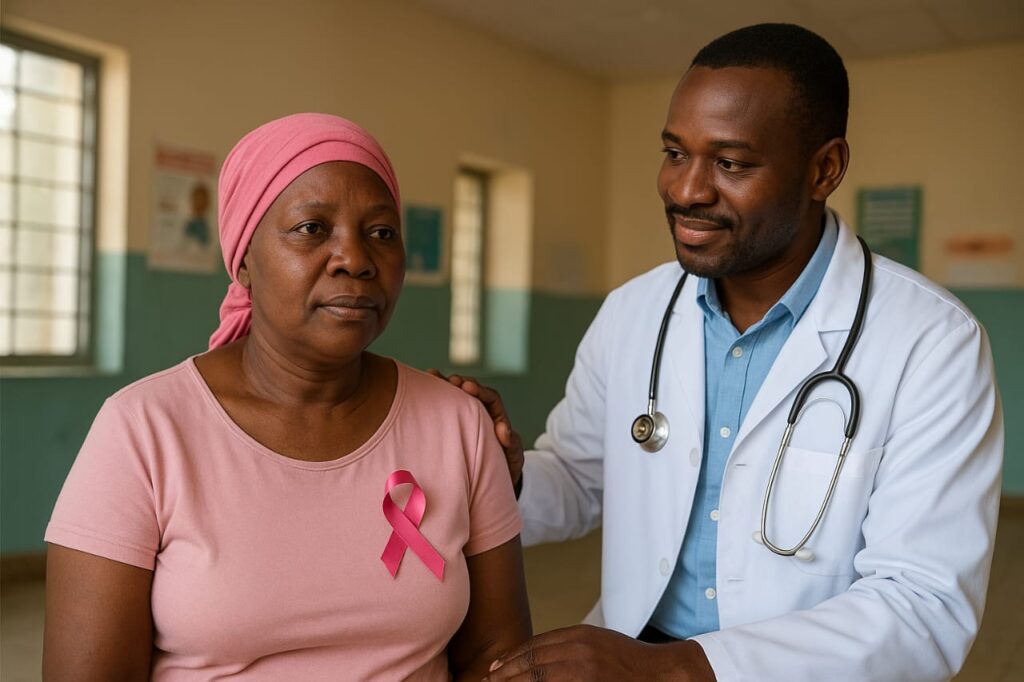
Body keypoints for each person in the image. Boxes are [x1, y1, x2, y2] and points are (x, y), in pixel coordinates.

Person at [443, 24, 1003, 682]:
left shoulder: (932, 342)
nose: (686, 190)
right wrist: (505, 476)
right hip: (632, 651)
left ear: (824, 169)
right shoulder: (634, 313)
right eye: (675, 153)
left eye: (730, 163)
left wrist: (681, 668)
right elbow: (580, 479)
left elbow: (921, 608)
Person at [42, 113, 531, 680]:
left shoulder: (458, 425)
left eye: (382, 232)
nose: (356, 259)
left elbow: (497, 657)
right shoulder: (143, 431)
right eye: (312, 228)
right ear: (244, 260)